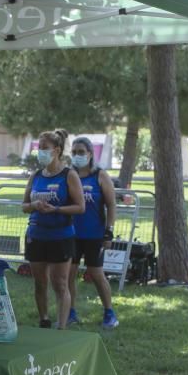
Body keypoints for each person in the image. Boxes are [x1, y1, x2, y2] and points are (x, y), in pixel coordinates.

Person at [22, 129, 85, 329]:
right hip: (36, 235)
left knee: (60, 283)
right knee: (40, 283)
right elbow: (24, 205)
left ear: (57, 150)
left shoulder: (69, 175)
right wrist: (34, 206)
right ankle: (44, 320)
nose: (40, 152)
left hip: (61, 236)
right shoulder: (36, 176)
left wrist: (56, 208)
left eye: (44, 148)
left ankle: (62, 326)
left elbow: (80, 206)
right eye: (39, 148)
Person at [66, 136, 119, 328]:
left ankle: (109, 312)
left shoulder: (100, 176)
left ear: (90, 154)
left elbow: (112, 205)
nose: (77, 156)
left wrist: (109, 232)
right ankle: (70, 312)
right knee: (68, 275)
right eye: (74, 152)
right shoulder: (69, 175)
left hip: (94, 235)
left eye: (81, 152)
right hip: (70, 234)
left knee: (96, 273)